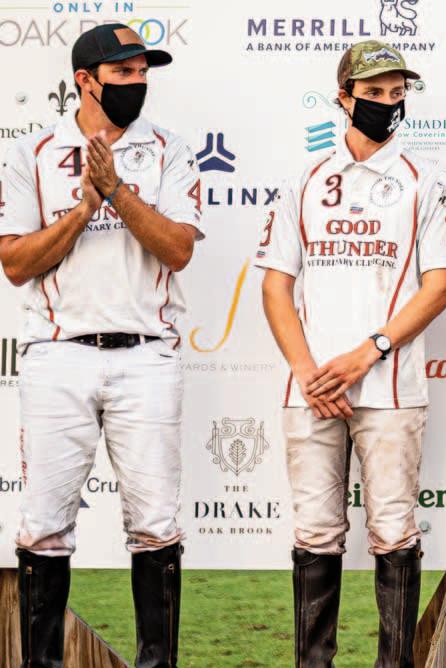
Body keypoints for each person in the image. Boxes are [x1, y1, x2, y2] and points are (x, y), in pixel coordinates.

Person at [256, 40, 446, 667]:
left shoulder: (428, 182)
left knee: (394, 530)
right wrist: (307, 372)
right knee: (315, 533)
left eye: (397, 93)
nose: (387, 103)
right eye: (373, 92)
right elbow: (275, 286)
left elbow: (438, 288)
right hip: (312, 390)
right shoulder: (304, 181)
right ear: (344, 98)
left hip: (391, 387)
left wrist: (368, 352)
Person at [0, 23, 202, 667]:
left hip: (146, 355)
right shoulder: (33, 151)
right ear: (85, 80)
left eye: (142, 72)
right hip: (58, 354)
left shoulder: (170, 149)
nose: (137, 83)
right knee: (43, 526)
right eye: (122, 73)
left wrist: (115, 190)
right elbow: (15, 263)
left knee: (155, 524)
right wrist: (83, 211)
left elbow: (178, 249)